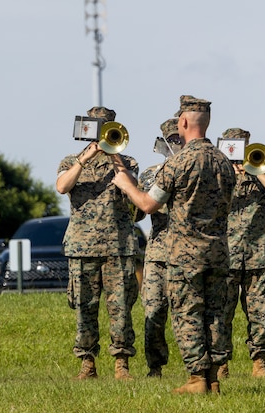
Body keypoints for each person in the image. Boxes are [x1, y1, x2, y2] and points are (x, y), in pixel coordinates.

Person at [114, 95, 235, 394]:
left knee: (188, 314)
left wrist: (127, 184)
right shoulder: (225, 162)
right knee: (215, 314)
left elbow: (148, 204)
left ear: (182, 122)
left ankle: (196, 378)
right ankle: (214, 379)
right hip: (219, 252)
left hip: (185, 254)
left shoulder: (178, 162)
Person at [55, 106, 141, 381]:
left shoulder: (128, 162)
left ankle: (121, 364)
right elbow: (62, 187)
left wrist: (115, 157)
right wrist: (86, 157)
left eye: (106, 129)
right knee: (84, 308)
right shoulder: (70, 160)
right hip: (82, 247)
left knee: (121, 310)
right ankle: (87, 363)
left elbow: (133, 189)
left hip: (119, 246)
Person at [216, 127, 265, 379]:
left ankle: (259, 362)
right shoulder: (217, 175)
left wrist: (258, 171)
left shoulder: (260, 173)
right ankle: (221, 363)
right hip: (226, 258)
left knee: (260, 315)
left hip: (257, 257)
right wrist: (229, 175)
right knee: (222, 314)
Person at [138, 118, 183, 378]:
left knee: (188, 313)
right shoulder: (151, 172)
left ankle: (199, 367)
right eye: (173, 140)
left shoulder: (198, 167)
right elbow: (138, 214)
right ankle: (155, 367)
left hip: (188, 253)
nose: (177, 143)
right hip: (157, 254)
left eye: (180, 138)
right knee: (153, 310)